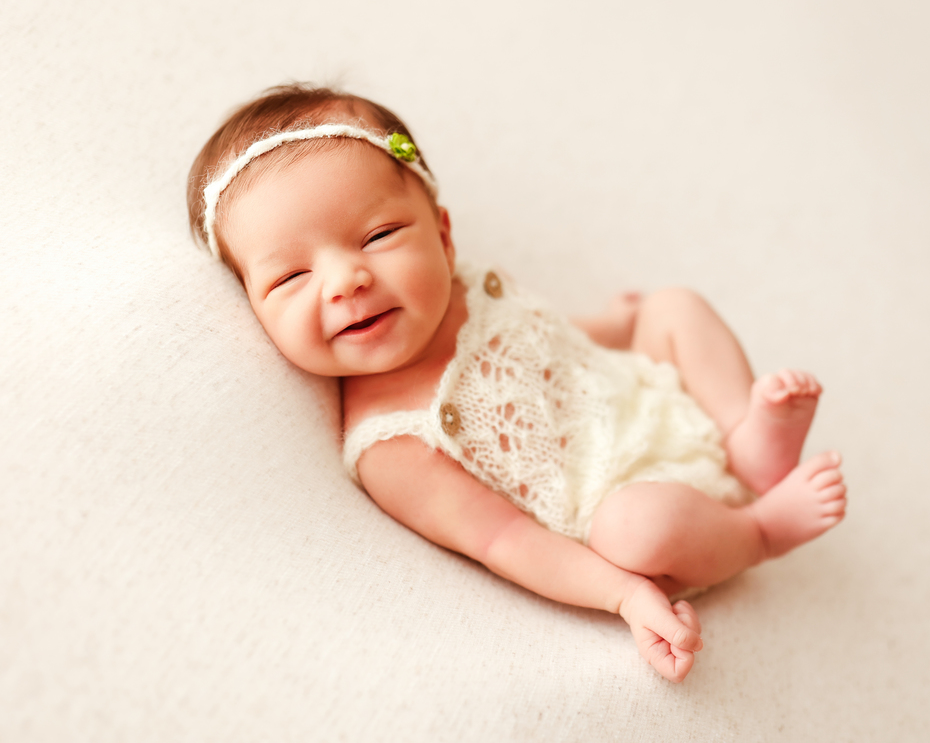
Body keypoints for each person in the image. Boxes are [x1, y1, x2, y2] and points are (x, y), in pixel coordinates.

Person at [188, 84, 847, 683]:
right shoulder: (391, 444)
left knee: (674, 306)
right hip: (636, 509)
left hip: (641, 400)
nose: (345, 281)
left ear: (443, 237)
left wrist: (617, 324)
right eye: (291, 277)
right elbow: (503, 541)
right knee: (638, 528)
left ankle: (745, 436)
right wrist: (624, 594)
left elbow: (544, 332)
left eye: (379, 235)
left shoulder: (464, 287)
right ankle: (759, 530)